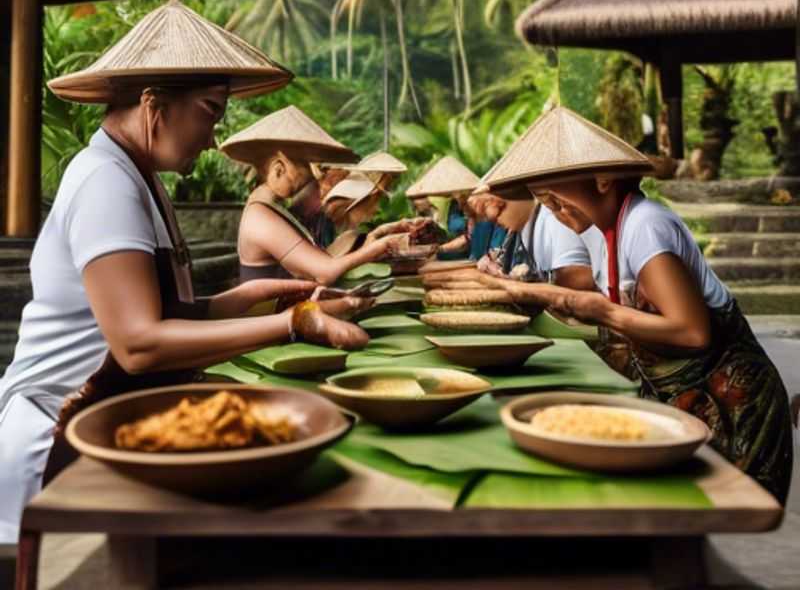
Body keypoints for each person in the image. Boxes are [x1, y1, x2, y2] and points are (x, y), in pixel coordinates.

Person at [0, 0, 369, 544]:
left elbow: (161, 312)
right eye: (209, 112)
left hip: (104, 426)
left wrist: (238, 302)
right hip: (57, 441)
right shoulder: (106, 181)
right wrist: (290, 325)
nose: (214, 134)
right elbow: (138, 343)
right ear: (154, 105)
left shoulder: (139, 178)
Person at [481, 106, 793, 502]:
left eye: (557, 199)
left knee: (725, 514)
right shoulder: (609, 232)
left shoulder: (646, 226)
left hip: (737, 405)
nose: (556, 213)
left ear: (603, 178)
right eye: (545, 203)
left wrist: (600, 311)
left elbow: (692, 332)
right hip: (687, 398)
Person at [221, 107, 404, 286]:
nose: (312, 176)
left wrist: (375, 236)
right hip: (271, 313)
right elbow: (325, 272)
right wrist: (380, 246)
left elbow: (321, 258)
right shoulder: (261, 217)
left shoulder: (272, 208)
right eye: (304, 166)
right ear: (279, 169)